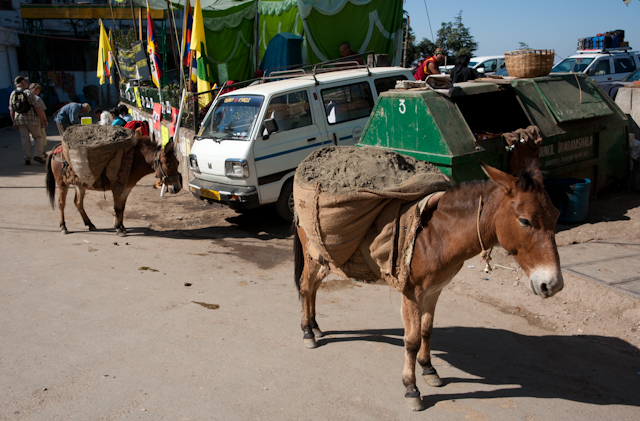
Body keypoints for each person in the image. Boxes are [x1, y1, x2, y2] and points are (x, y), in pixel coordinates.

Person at [9, 76, 47, 165]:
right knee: (38, 137)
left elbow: (11, 109)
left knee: (24, 138)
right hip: (32, 119)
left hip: (20, 120)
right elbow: (37, 107)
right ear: (22, 82)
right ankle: (37, 154)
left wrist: (14, 122)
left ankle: (27, 157)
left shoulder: (13, 94)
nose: (26, 82)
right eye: (25, 81)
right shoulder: (28, 93)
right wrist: (42, 120)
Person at [28, 82, 48, 161]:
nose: (39, 92)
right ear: (35, 89)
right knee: (41, 136)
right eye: (38, 90)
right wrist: (44, 120)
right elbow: (42, 110)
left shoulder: (26, 97)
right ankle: (40, 153)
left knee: (32, 137)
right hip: (37, 120)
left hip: (28, 121)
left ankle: (29, 156)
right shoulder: (37, 98)